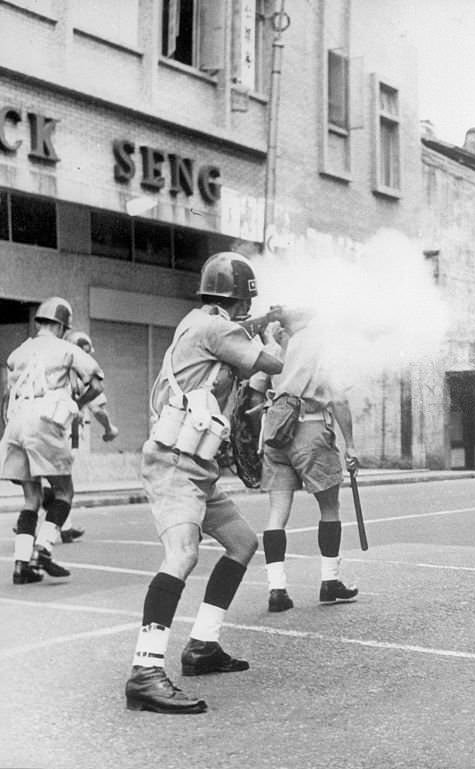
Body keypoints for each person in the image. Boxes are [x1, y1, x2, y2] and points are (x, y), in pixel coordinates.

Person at [124, 252, 283, 715]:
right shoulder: (217, 328)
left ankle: (202, 646)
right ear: (239, 300)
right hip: (175, 462)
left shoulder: (200, 321)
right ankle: (145, 672)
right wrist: (272, 331)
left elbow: (236, 353)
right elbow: (267, 365)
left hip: (195, 463)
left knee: (242, 543)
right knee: (183, 554)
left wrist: (257, 324)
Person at [250, 310, 360, 613]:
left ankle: (277, 589)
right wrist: (350, 445)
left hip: (275, 431)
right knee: (329, 507)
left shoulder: (275, 345)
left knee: (277, 513)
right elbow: (338, 399)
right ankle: (329, 581)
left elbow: (255, 392)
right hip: (311, 429)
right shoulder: (323, 345)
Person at [1, 297, 104, 584]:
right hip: (44, 421)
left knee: (31, 498)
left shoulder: (19, 351)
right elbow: (96, 384)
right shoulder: (66, 349)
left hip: (16, 423)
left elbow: (8, 395)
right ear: (61, 326)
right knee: (64, 492)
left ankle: (21, 566)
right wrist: (76, 404)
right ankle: (43, 549)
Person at [57, 330, 120, 542]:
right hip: (72, 427)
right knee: (64, 480)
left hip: (46, 426)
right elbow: (99, 409)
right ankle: (52, 521)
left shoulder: (55, 368)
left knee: (54, 477)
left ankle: (62, 524)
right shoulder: (84, 372)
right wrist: (110, 429)